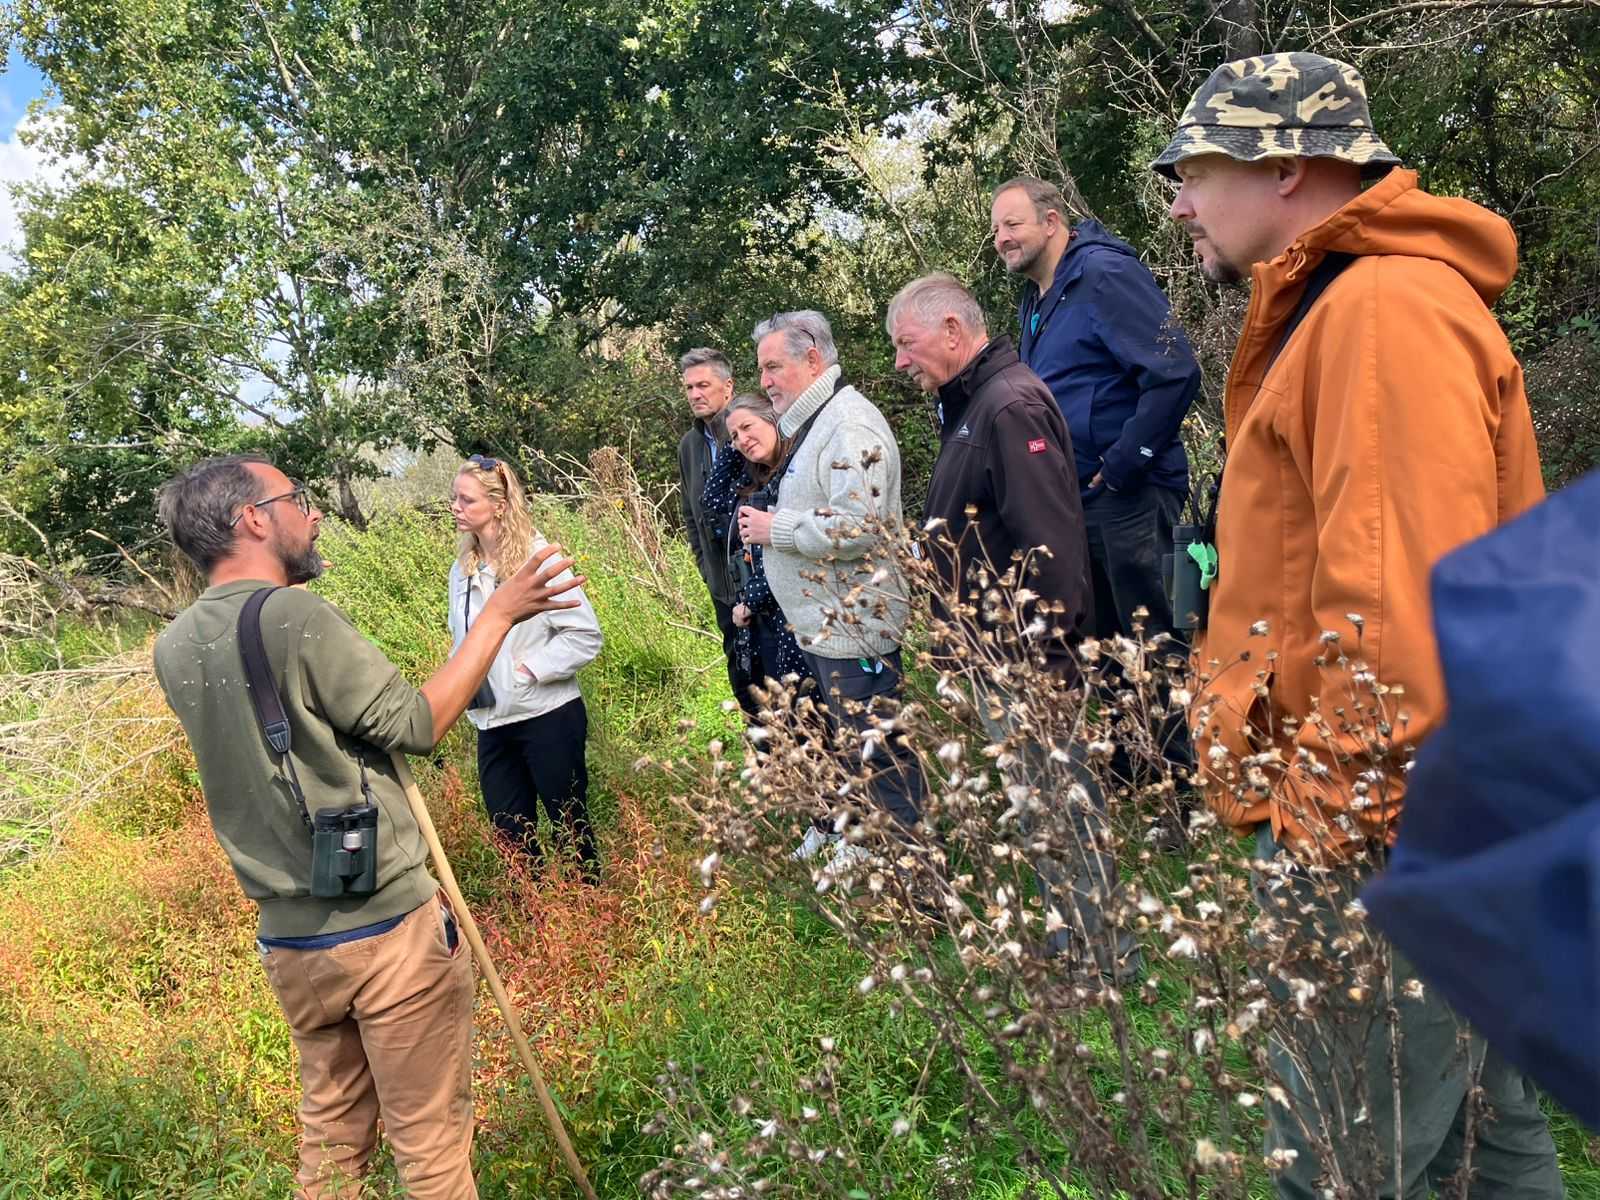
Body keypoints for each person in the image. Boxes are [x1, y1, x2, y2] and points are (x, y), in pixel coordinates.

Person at [1154, 52, 1560, 1196]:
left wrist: (1324, 845)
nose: (1179, 205)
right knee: (1482, 1150)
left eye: (1191, 172)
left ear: (1284, 165)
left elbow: (1393, 626)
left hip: (1386, 829)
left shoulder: (1378, 313)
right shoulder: (1354, 306)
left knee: (1337, 1161)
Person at [151, 454, 583, 1199]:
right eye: (297, 499)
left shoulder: (174, 644)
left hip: (292, 942)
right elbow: (415, 724)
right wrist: (500, 615)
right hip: (386, 932)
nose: (314, 514)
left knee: (333, 1144)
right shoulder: (294, 618)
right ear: (252, 520)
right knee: (431, 1150)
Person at [887, 271, 1137, 977]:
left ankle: (1105, 958)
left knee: (1064, 807)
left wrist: (1042, 659)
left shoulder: (1008, 406)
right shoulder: (974, 404)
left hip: (1028, 661)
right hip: (997, 656)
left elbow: (1051, 547)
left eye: (906, 344)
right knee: (1039, 809)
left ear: (952, 331)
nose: (900, 362)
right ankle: (1071, 945)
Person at [991, 174, 1201, 796]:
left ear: (1052, 221)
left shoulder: (1105, 275)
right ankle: (1133, 776)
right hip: (1076, 499)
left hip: (1129, 494)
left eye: (1013, 224)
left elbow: (1174, 371)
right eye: (996, 229)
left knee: (1150, 637)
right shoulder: (1037, 300)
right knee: (1102, 638)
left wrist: (1126, 461)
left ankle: (1182, 789)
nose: (1002, 238)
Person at [737, 309, 923, 843]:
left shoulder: (847, 425)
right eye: (762, 369)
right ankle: (881, 858)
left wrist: (777, 528)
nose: (765, 381)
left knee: (883, 760)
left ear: (813, 359)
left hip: (857, 628)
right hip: (830, 629)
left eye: (774, 367)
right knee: (862, 753)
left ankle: (915, 873)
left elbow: (861, 525)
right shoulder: (816, 424)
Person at [448, 454, 603, 882]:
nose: (455, 507)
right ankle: (533, 915)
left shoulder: (539, 560)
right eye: (454, 498)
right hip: (492, 722)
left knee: (570, 828)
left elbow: (585, 635)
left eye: (466, 500)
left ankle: (588, 906)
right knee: (511, 839)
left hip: (547, 716)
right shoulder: (462, 571)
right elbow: (462, 642)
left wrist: (526, 672)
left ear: (499, 505)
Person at [700, 394, 810, 697]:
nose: (742, 440)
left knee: (806, 710)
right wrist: (735, 447)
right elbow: (711, 500)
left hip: (791, 615)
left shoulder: (793, 476)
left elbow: (785, 555)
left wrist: (750, 601)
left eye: (748, 427)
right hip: (765, 618)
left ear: (773, 420)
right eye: (735, 436)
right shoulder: (752, 481)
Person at [676, 347, 749, 712]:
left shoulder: (750, 430)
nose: (695, 394)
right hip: (722, 587)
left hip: (762, 583)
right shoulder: (689, 446)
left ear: (728, 387)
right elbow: (690, 515)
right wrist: (707, 571)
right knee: (743, 682)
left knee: (780, 679)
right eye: (689, 387)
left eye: (703, 385)